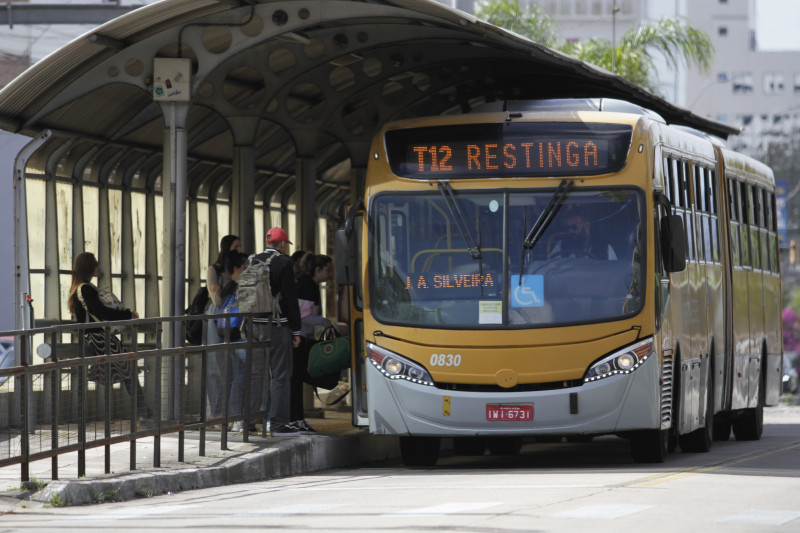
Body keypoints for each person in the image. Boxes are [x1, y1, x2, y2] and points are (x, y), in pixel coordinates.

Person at [67, 252, 152, 422]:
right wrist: (128, 314)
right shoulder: (86, 289)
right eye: (96, 264)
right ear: (89, 267)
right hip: (99, 337)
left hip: (91, 337)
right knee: (129, 371)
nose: (98, 267)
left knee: (128, 371)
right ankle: (145, 412)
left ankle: (145, 411)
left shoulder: (77, 289)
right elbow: (101, 312)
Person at [247, 227, 303, 437]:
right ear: (281, 245)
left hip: (253, 324)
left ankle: (249, 422)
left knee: (255, 375)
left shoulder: (252, 260)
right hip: (277, 325)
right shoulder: (284, 263)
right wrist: (296, 330)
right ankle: (279, 424)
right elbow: (289, 298)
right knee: (280, 375)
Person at [289, 254, 338, 434]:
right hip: (298, 339)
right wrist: (323, 321)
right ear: (318, 270)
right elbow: (302, 315)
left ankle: (296, 418)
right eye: (328, 269)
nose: (331, 274)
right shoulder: (307, 286)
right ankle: (295, 419)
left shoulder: (307, 285)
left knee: (296, 380)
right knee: (295, 380)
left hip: (300, 338)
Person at [205, 235, 242, 421]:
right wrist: (233, 282)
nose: (239, 250)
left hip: (235, 318)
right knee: (216, 364)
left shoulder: (240, 267)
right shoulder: (215, 269)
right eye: (235, 246)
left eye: (240, 246)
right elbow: (217, 301)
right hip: (217, 318)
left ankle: (232, 410)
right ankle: (215, 410)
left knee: (234, 366)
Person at [548, 211, 617, 260]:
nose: (570, 231)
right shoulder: (561, 245)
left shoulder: (604, 248)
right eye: (567, 228)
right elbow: (550, 269)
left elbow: (613, 273)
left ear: (587, 225)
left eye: (574, 227)